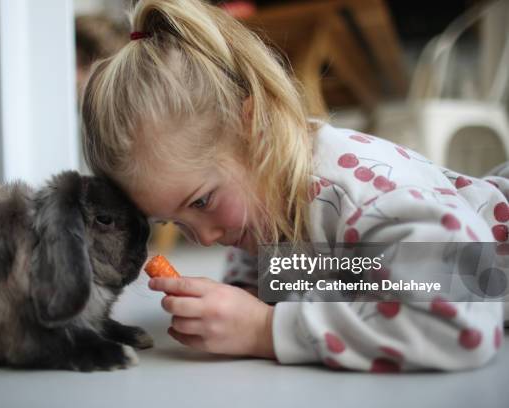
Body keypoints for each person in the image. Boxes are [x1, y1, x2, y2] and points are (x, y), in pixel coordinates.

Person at [80, 0, 507, 372]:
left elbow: (461, 316)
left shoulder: (366, 199)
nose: (205, 238)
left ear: (255, 129)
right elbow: (350, 273)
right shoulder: (266, 205)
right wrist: (242, 299)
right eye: (173, 222)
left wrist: (265, 330)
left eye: (202, 201)